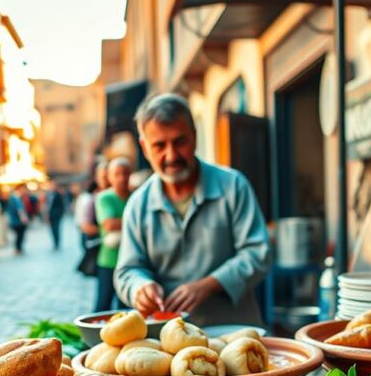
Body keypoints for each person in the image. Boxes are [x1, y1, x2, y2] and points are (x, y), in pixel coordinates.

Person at [114, 94, 270, 326]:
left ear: (195, 137)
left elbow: (258, 254)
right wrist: (140, 287)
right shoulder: (138, 204)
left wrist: (209, 284)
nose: (171, 155)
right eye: (159, 145)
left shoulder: (233, 186)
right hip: (164, 343)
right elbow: (127, 271)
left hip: (233, 334)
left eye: (179, 142)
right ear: (145, 148)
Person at [94, 157, 133, 311]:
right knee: (103, 306)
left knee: (127, 308)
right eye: (117, 174)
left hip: (131, 261)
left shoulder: (134, 197)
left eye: (125, 173)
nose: (122, 178)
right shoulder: (105, 198)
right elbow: (109, 224)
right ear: (109, 176)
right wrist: (133, 222)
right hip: (109, 261)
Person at [6, 186, 29, 255]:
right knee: (19, 235)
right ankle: (18, 248)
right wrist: (24, 219)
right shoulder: (14, 198)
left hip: (16, 220)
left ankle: (19, 248)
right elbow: (19, 210)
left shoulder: (15, 198)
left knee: (19, 235)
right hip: (17, 220)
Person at [44, 183, 66, 250]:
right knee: (52, 229)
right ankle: (54, 242)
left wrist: (60, 214)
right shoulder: (48, 195)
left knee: (56, 229)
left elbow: (61, 205)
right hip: (50, 215)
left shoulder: (58, 195)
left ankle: (57, 243)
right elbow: (47, 206)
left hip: (57, 215)